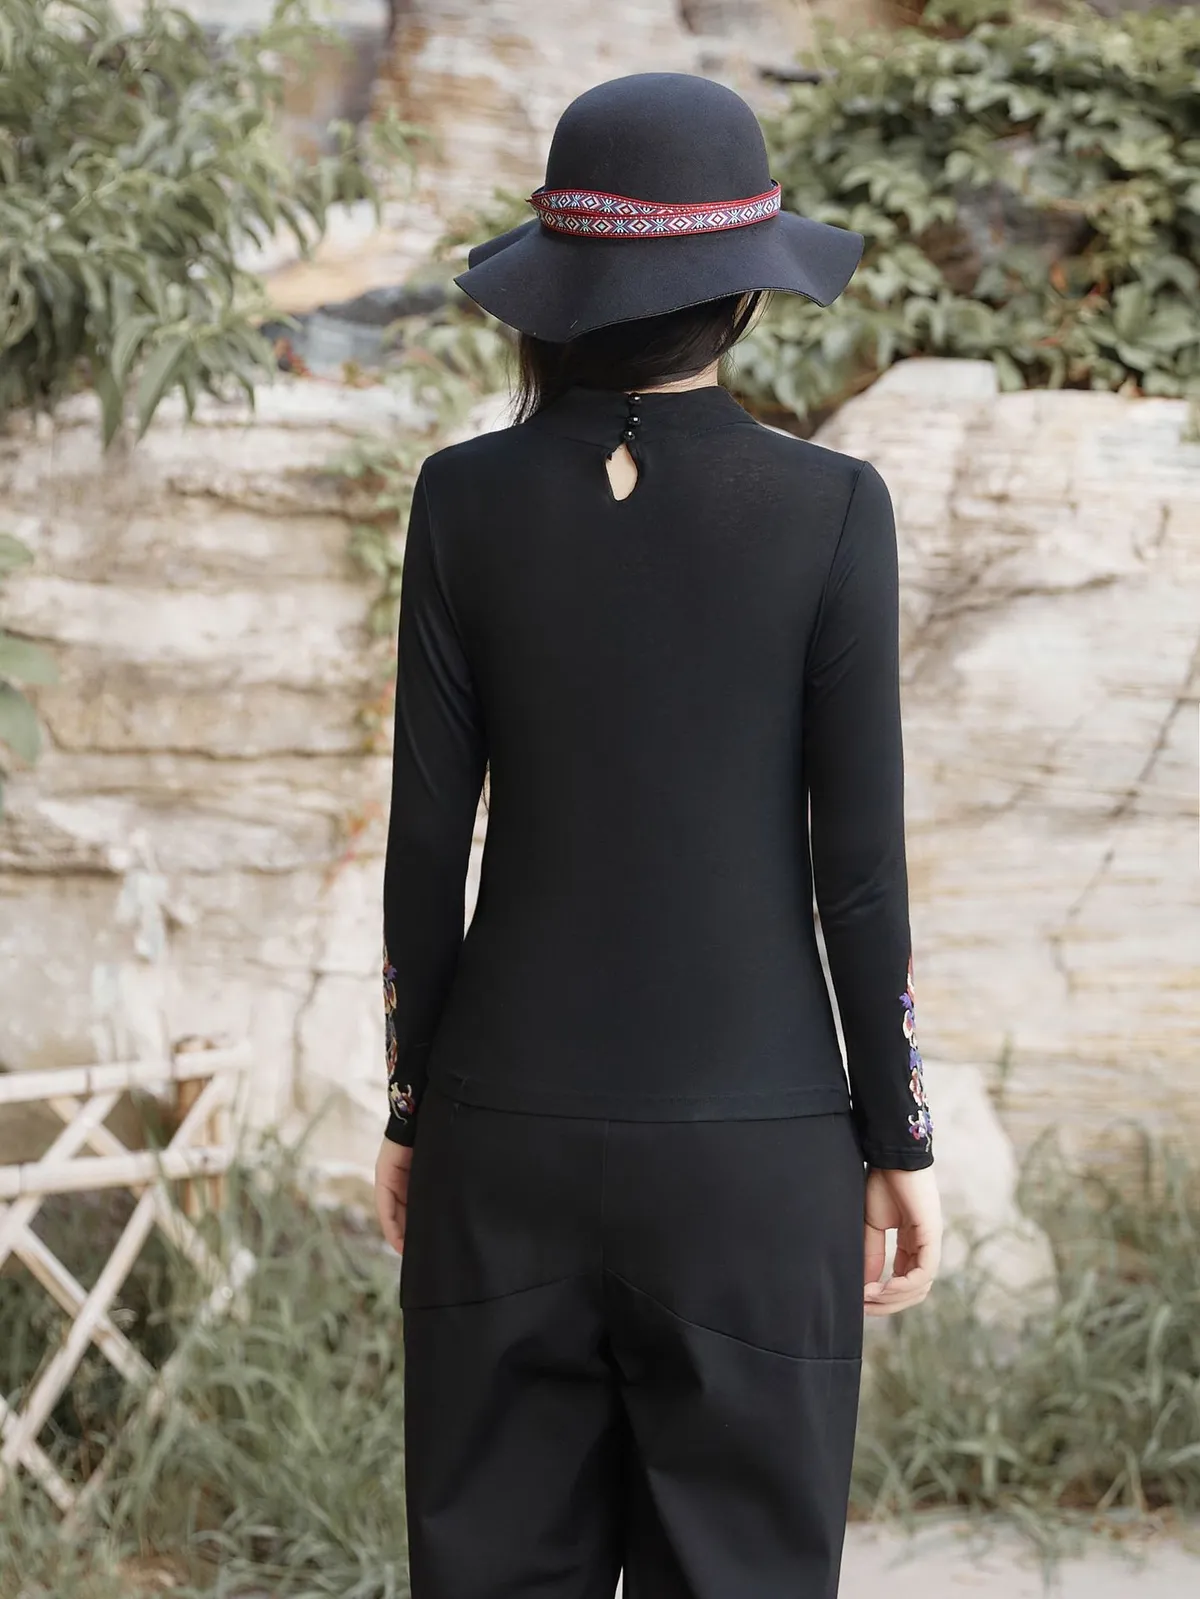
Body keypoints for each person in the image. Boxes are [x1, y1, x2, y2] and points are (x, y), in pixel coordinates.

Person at [373, 70, 943, 1599]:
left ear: (553, 294)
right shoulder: (831, 507)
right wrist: (899, 1135)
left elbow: (426, 844)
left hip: (504, 1139)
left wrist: (414, 1105)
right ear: (744, 292)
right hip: (757, 1164)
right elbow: (860, 872)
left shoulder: (462, 499)